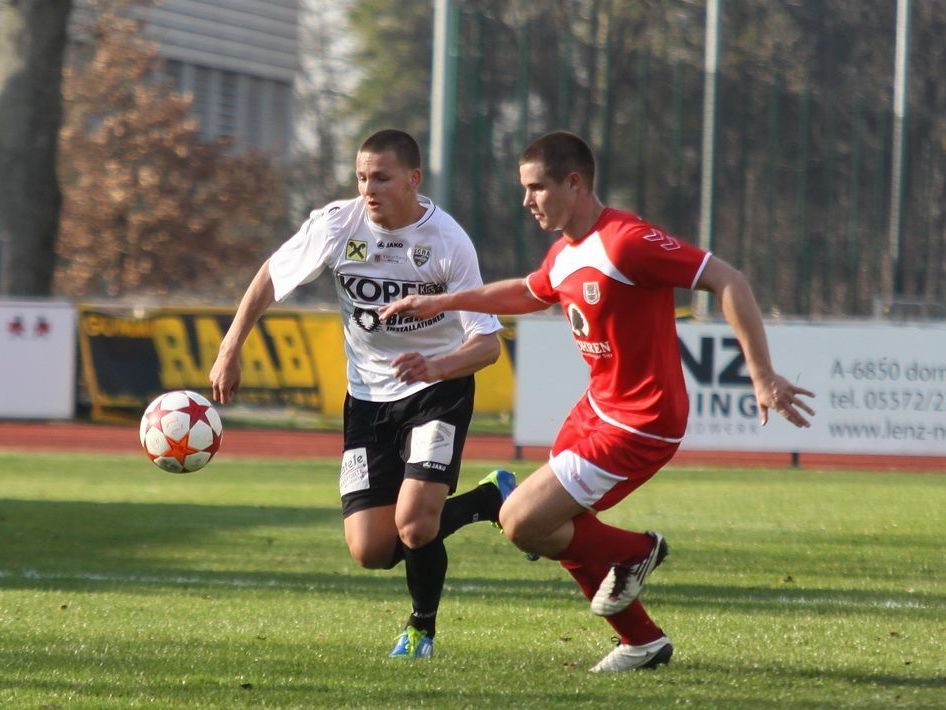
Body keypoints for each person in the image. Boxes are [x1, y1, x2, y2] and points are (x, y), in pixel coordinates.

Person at [380, 130, 815, 672]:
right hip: (597, 408)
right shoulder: (566, 251)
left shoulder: (626, 241)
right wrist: (441, 302)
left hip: (642, 419)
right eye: (524, 189)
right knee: (560, 531)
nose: (526, 201)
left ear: (575, 182)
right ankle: (641, 642)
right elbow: (527, 291)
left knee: (521, 522)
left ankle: (637, 552)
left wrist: (762, 374)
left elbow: (728, 279)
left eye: (537, 188)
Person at [210, 129, 515, 659]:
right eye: (361, 177)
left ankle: (421, 630)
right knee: (371, 550)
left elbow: (486, 346)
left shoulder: (448, 241)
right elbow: (269, 277)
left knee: (416, 525)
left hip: (436, 394)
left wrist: (435, 366)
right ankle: (489, 498)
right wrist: (230, 347)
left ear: (413, 180)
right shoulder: (337, 224)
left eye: (382, 177)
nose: (368, 189)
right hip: (366, 401)